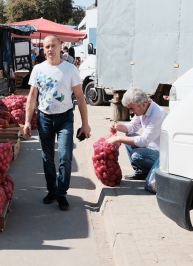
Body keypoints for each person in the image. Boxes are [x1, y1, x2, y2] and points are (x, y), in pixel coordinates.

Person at [24, 35, 91, 211]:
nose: (50, 50)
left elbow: (80, 97)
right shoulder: (38, 69)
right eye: (46, 47)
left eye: (53, 46)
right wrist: (26, 122)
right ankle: (52, 191)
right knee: (47, 159)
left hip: (65, 118)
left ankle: (61, 193)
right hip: (44, 118)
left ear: (61, 47)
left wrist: (85, 124)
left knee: (65, 157)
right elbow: (32, 96)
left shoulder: (70, 69)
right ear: (43, 49)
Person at [106, 88, 167, 180]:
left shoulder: (157, 114)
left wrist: (118, 139)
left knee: (136, 155)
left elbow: (143, 141)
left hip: (162, 155)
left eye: (131, 108)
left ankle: (150, 172)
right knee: (129, 136)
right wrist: (117, 126)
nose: (130, 111)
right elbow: (131, 127)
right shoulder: (144, 108)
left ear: (143, 105)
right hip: (150, 147)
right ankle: (140, 172)